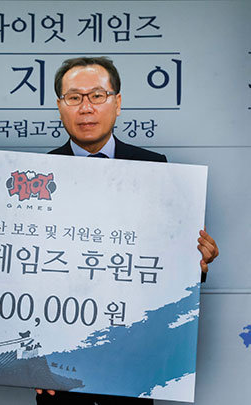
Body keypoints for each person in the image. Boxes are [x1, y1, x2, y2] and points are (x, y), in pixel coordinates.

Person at [35, 57, 219, 405]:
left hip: (132, 356)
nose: (86, 108)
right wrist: (32, 364)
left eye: (97, 96)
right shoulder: (38, 175)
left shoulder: (155, 168)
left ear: (117, 103)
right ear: (60, 106)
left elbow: (170, 262)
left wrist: (195, 263)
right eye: (74, 98)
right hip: (60, 362)